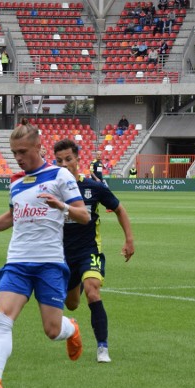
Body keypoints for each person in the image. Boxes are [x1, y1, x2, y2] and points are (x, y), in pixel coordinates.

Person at [0, 119, 90, 388]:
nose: (18, 158)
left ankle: (71, 328)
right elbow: (11, 217)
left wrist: (62, 206)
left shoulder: (60, 176)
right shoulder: (16, 183)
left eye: (23, 151)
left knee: (52, 331)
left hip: (49, 264)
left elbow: (84, 216)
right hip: (17, 262)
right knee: (2, 319)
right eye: (14, 153)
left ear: (38, 147)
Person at [53, 139, 135, 363]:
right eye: (59, 160)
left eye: (68, 159)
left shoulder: (93, 187)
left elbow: (119, 209)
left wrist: (129, 240)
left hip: (89, 250)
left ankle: (102, 348)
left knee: (92, 291)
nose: (64, 164)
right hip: (63, 255)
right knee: (71, 304)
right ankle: (73, 324)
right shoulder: (51, 190)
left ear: (78, 159)